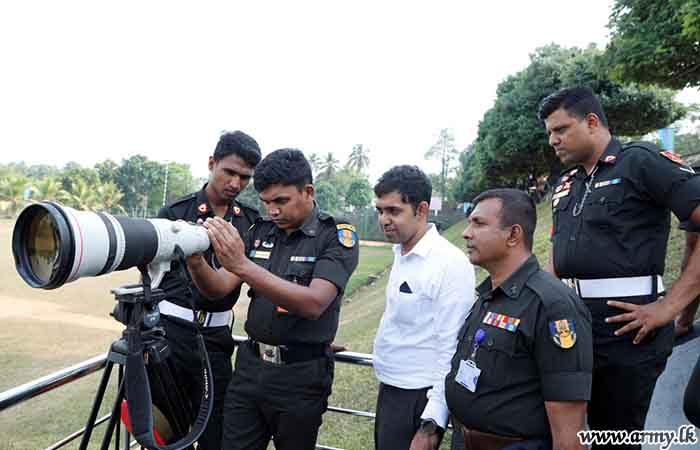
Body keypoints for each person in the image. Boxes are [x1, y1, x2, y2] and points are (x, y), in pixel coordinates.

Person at [540, 86, 700, 449]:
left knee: (616, 440)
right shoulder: (568, 183)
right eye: (550, 132)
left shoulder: (641, 161)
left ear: (592, 122)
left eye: (561, 129)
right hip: (573, 330)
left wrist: (669, 307)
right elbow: (556, 259)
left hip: (628, 333)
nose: (553, 140)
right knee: (573, 435)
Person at [186, 148, 359, 450]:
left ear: (308, 191)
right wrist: (196, 261)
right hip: (250, 368)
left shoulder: (335, 235)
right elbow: (217, 288)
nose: (273, 211)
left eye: (281, 201)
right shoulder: (262, 231)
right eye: (266, 203)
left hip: (300, 377)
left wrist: (242, 264)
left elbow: (313, 303)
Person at [446, 188, 592, 450]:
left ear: (513, 234)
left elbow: (569, 433)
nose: (466, 233)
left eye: (478, 223)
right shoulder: (489, 294)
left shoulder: (552, 305)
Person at [156, 131, 261, 449]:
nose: (236, 183)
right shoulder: (175, 214)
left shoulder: (251, 223)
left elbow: (224, 287)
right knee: (166, 433)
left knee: (215, 433)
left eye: (245, 177)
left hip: (216, 342)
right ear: (211, 163)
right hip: (169, 336)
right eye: (229, 172)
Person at [372, 165, 476, 450]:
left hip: (419, 396)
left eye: (393, 211)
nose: (384, 220)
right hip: (390, 385)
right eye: (380, 210)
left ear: (421, 209)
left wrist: (431, 423)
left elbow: (451, 347)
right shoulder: (401, 252)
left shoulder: (449, 264)